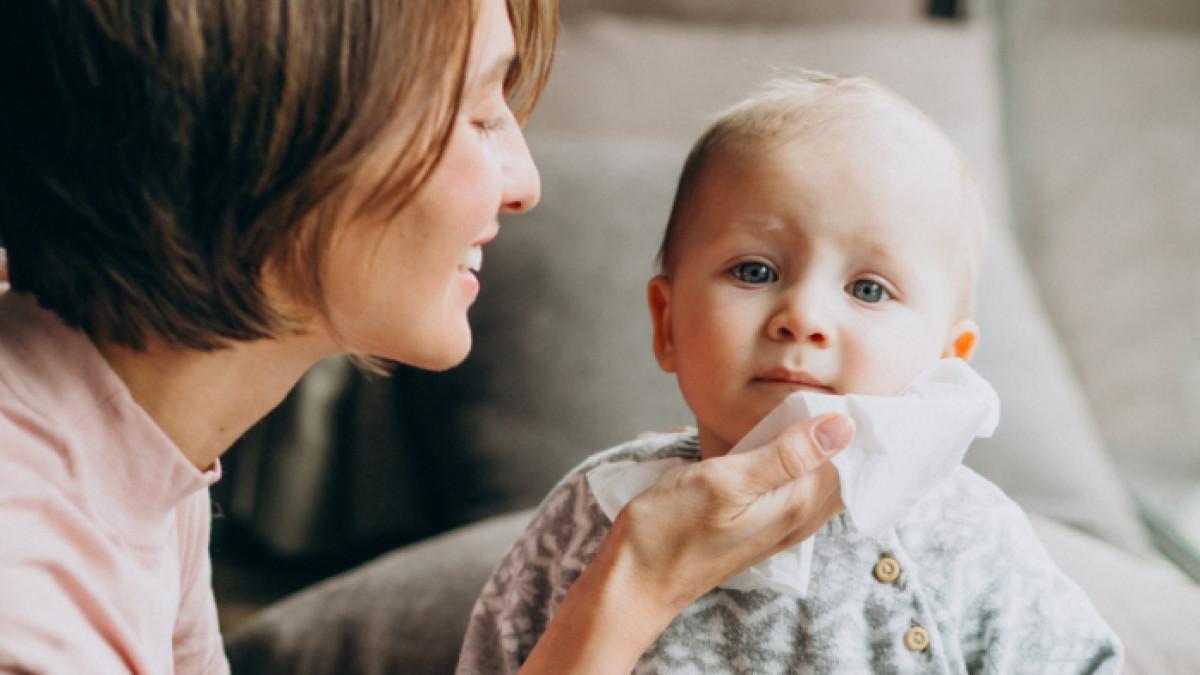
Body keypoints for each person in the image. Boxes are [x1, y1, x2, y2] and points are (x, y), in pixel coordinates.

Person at [0, 1, 853, 673]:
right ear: (273, 143)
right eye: (480, 115)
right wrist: (628, 587)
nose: (525, 182)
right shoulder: (32, 600)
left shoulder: (137, 446)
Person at [456, 73, 1123, 674]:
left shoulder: (968, 534)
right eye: (755, 271)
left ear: (947, 362)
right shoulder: (596, 513)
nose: (802, 316)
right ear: (666, 324)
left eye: (867, 289)